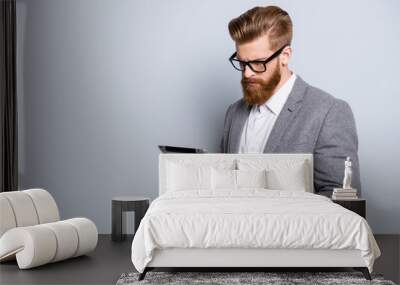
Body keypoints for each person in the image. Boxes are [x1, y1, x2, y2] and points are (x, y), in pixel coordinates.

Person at [220, 5, 361, 197]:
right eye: (242, 62)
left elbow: (342, 202)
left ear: (285, 56)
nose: (247, 73)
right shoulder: (233, 113)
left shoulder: (329, 113)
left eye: (257, 63)